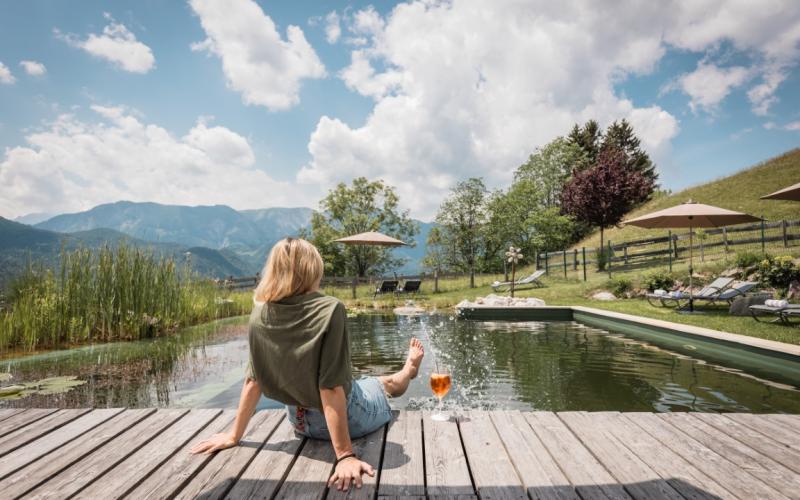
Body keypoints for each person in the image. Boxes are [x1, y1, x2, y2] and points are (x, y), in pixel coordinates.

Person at [189, 237, 424, 492]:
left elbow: (253, 380)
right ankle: (407, 371)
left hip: (299, 423)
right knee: (384, 384)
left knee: (366, 383)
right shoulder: (330, 309)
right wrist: (345, 456)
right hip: (348, 418)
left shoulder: (259, 313)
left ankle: (399, 373)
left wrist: (234, 435)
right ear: (312, 269)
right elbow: (331, 389)